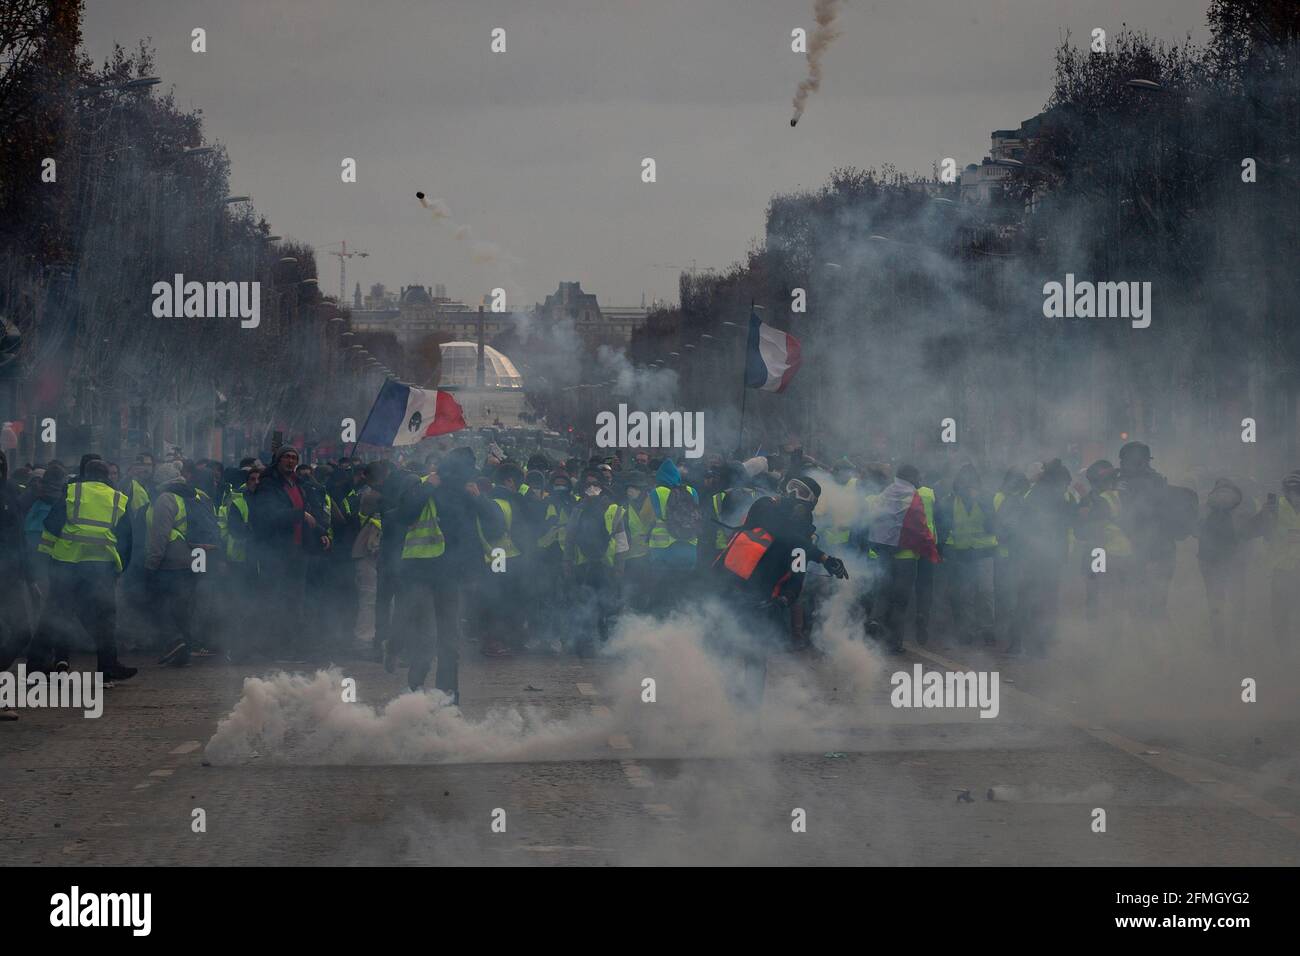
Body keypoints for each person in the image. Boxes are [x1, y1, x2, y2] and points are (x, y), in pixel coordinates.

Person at [711, 475, 847, 709]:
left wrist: (782, 601)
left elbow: (796, 582)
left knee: (755, 655)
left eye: (802, 493)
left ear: (811, 504)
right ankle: (720, 704)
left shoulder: (804, 542)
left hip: (761, 601)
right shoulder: (765, 506)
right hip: (729, 589)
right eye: (792, 488)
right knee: (723, 649)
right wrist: (823, 557)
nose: (794, 495)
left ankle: (751, 714)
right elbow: (783, 533)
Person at [400, 446, 503, 700]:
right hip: (424, 573)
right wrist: (428, 488)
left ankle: (446, 696)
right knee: (425, 636)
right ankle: (414, 692)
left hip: (452, 576)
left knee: (448, 639)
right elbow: (404, 514)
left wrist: (478, 498)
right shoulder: (427, 484)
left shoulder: (471, 490)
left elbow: (497, 526)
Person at [28, 458, 135, 680]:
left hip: (67, 564)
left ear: (84, 473)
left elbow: (51, 524)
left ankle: (35, 666)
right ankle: (107, 668)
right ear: (107, 476)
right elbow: (126, 540)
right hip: (101, 569)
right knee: (104, 619)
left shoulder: (72, 493)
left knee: (53, 616)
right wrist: (119, 570)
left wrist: (45, 561)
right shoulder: (118, 499)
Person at [248, 446, 330, 656]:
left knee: (295, 600)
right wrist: (300, 515)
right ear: (278, 460)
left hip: (298, 551)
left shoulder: (299, 485)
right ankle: (273, 646)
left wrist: (320, 531)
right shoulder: (268, 485)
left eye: (294, 457)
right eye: (287, 457)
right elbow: (270, 515)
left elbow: (308, 513)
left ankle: (292, 646)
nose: (291, 461)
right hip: (276, 552)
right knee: (276, 599)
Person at [936, 463, 997, 647]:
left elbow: (992, 526)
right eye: (964, 485)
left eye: (971, 485)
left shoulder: (986, 499)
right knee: (965, 595)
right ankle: (968, 631)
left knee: (986, 593)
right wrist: (941, 550)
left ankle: (987, 629)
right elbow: (944, 528)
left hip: (984, 553)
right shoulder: (950, 502)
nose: (968, 489)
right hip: (962, 554)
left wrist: (982, 503)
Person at [1250, 470, 1300, 651]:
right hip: (1282, 571)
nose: (1295, 495)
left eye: (1299, 490)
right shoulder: (1275, 507)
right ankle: (1283, 653)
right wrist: (1264, 515)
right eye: (1292, 491)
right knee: (1281, 615)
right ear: (1285, 491)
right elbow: (1251, 531)